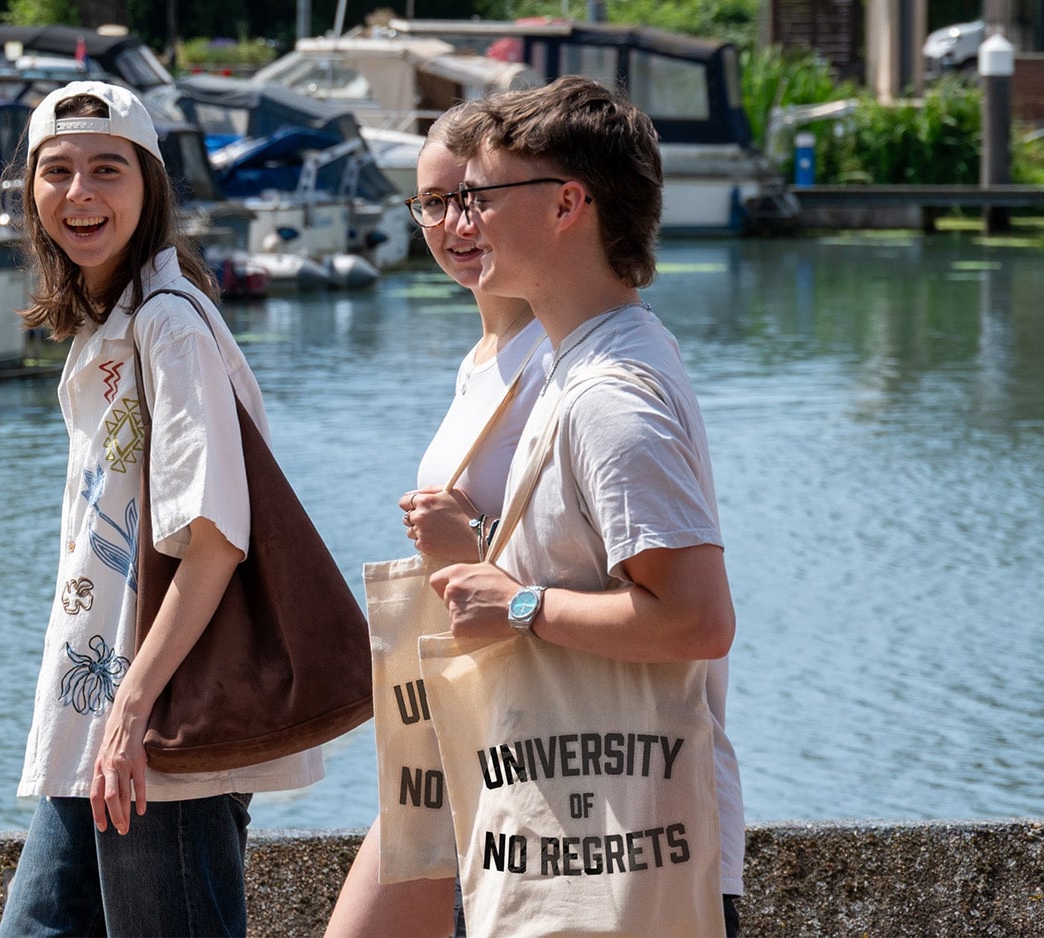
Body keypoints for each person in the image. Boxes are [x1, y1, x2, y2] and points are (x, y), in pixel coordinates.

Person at [0, 80, 323, 938]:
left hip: (154, 731)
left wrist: (133, 716)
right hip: (101, 729)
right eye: (56, 171)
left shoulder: (167, 326)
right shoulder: (112, 327)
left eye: (108, 170)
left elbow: (214, 542)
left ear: (149, 188)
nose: (80, 194)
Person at [425, 75, 746, 934]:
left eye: (482, 194)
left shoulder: (610, 391)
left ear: (568, 203)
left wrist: (520, 604)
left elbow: (697, 620)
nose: (463, 218)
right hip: (587, 834)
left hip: (624, 848)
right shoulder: (584, 365)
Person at [323, 100, 551, 938]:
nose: (456, 224)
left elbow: (579, 548)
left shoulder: (559, 356)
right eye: (432, 202)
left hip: (531, 721)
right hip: (456, 711)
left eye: (474, 198)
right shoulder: (483, 357)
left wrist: (469, 548)